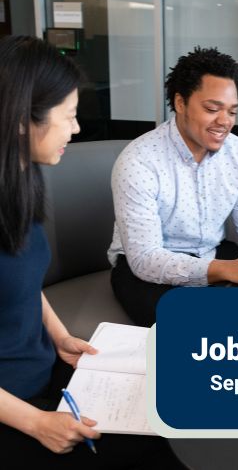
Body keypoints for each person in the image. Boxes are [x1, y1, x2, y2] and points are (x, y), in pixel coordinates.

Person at [0, 35, 186, 469]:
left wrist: (60, 336)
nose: (77, 128)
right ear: (24, 120)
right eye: (68, 116)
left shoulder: (21, 183)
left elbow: (20, 280)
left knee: (170, 421)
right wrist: (36, 423)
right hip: (15, 408)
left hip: (44, 375)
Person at [108, 46, 238, 327]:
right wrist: (226, 270)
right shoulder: (138, 161)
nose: (225, 122)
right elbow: (145, 258)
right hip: (146, 268)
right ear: (180, 103)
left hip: (210, 252)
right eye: (212, 109)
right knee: (196, 327)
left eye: (231, 111)